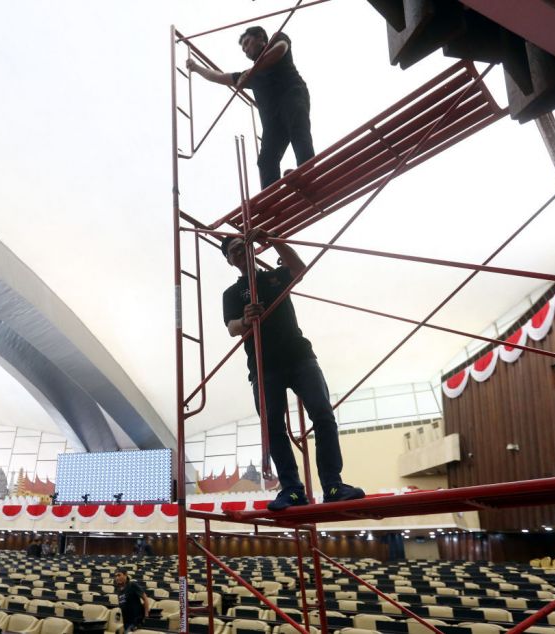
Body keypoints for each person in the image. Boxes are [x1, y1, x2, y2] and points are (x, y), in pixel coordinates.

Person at [221, 229, 364, 510]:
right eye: (233, 251)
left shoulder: (275, 275)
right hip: (264, 367)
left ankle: (333, 484)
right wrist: (246, 321)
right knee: (273, 428)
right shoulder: (231, 293)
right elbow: (231, 327)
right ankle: (292, 489)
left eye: (243, 246)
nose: (240, 252)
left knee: (323, 416)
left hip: (299, 357)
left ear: (252, 249)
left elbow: (299, 269)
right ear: (229, 261)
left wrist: (273, 240)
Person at [187, 25, 315, 190]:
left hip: (292, 96)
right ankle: (271, 197)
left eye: (247, 43)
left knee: (297, 125)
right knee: (266, 159)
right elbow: (217, 76)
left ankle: (306, 170)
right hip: (273, 123)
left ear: (261, 37)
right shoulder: (249, 76)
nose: (246, 49)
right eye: (243, 48)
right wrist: (196, 68)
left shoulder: (276, 39)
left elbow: (280, 49)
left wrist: (252, 72)